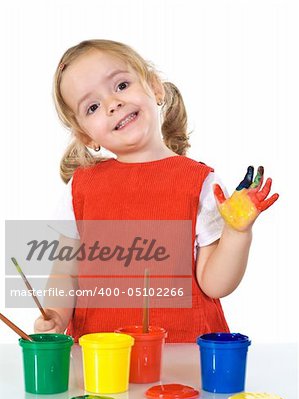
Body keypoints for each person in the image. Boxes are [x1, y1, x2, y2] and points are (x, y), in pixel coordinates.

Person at [34, 39, 279, 342]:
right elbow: (64, 273)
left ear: (155, 87)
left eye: (121, 85)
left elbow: (214, 285)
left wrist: (238, 234)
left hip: (183, 356)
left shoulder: (200, 182)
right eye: (93, 106)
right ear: (86, 135)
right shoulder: (80, 189)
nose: (113, 103)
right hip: (101, 363)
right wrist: (56, 315)